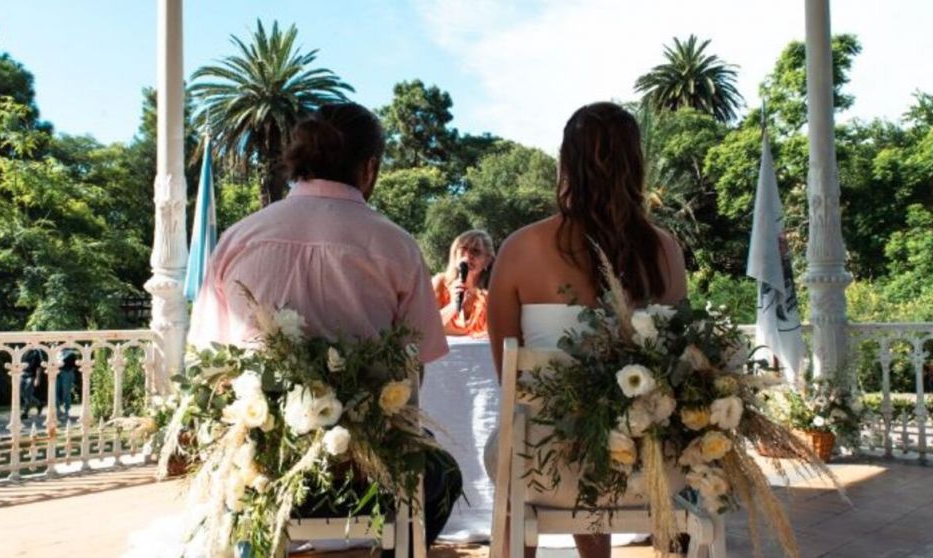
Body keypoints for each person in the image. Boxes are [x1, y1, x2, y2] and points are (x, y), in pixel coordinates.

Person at [188, 102, 460, 548]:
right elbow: (414, 372)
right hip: (369, 477)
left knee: (235, 474)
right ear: (369, 167)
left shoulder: (238, 238)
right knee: (443, 475)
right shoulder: (397, 247)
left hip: (261, 474)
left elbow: (211, 363)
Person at [486, 102, 688, 558]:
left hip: (541, 469)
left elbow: (508, 378)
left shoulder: (520, 249)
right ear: (636, 165)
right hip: (648, 472)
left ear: (566, 164)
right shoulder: (667, 252)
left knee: (519, 439)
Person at [432, 229, 495, 338]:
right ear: (454, 254)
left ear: (487, 260)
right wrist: (453, 306)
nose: (468, 255)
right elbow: (424, 326)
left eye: (476, 251)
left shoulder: (493, 292)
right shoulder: (440, 283)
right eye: (463, 249)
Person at [20, 348, 45, 419]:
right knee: (22, 393)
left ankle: (25, 412)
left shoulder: (36, 352)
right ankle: (39, 403)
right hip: (23, 375)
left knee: (28, 393)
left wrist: (37, 378)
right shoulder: (23, 351)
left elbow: (39, 367)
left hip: (32, 375)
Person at [56, 349, 80, 420]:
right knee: (54, 392)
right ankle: (58, 410)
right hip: (56, 373)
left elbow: (73, 364)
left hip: (67, 373)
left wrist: (62, 364)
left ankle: (67, 411)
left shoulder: (71, 353)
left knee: (66, 392)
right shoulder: (56, 352)